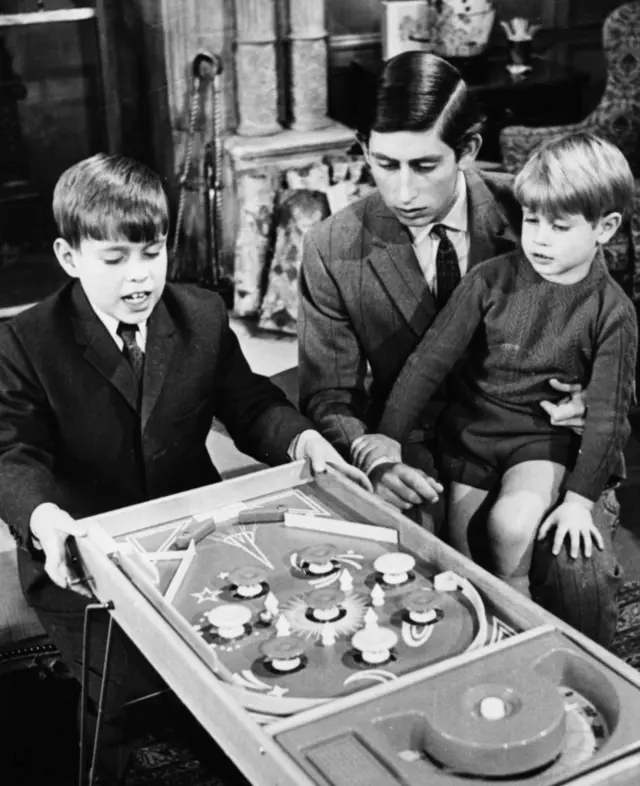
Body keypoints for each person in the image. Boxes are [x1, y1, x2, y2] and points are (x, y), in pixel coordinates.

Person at [0, 153, 369, 785]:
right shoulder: (25, 339)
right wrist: (46, 519)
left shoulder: (199, 313)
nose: (139, 278)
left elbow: (249, 404)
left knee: (259, 663)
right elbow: (13, 453)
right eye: (114, 259)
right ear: (68, 257)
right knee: (124, 696)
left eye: (152, 253)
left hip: (195, 535)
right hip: (83, 556)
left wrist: (303, 440)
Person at [298, 51, 623, 645]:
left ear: (469, 150)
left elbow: (614, 332)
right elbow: (328, 394)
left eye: (425, 165)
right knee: (408, 591)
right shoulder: (330, 247)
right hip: (415, 453)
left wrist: (590, 398)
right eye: (384, 163)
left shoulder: (540, 209)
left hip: (539, 441)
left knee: (580, 572)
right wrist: (377, 458)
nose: (403, 190)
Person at [372, 131, 637, 599]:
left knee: (510, 527)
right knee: (458, 555)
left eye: (559, 227)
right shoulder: (487, 281)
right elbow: (427, 363)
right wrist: (388, 440)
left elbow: (610, 416)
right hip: (472, 436)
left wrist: (578, 501)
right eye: (532, 220)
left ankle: (519, 620)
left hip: (540, 439)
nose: (538, 239)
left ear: (605, 227)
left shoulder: (611, 311)